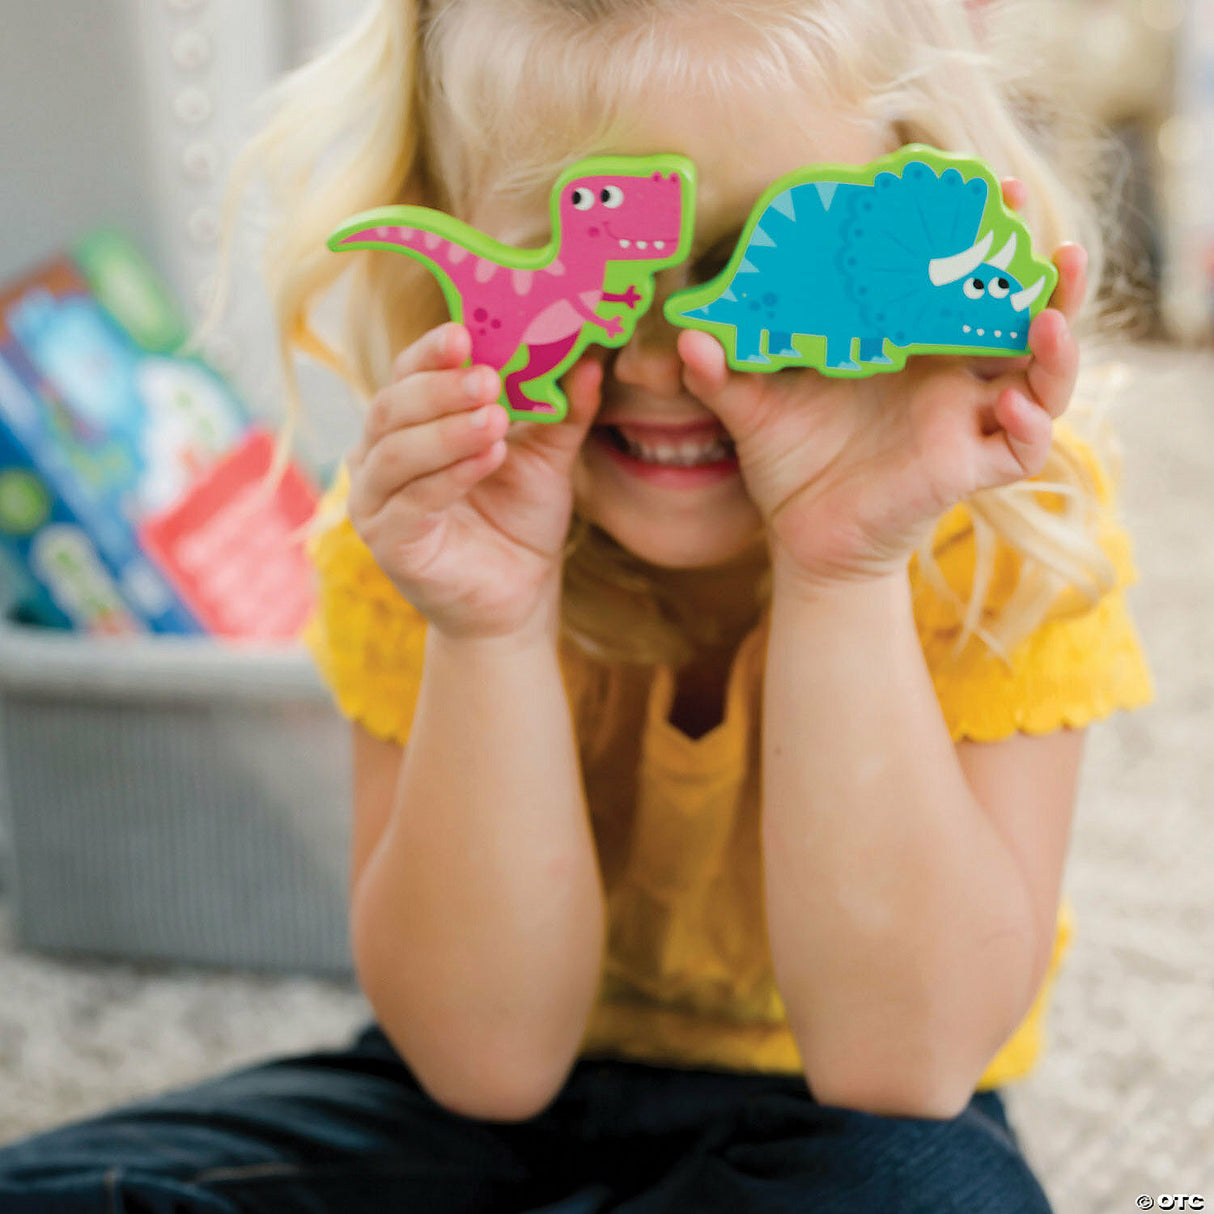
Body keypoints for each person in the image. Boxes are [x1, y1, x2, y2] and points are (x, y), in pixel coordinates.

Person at [0, 0, 1155, 1210]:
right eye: (610, 262)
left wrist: (844, 567)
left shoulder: (1009, 521)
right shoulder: (428, 522)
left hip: (840, 1128)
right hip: (477, 1116)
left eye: (738, 257)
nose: (661, 356)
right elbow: (481, 1061)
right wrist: (486, 625)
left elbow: (902, 1060)